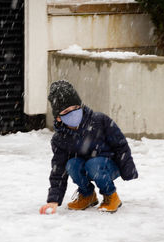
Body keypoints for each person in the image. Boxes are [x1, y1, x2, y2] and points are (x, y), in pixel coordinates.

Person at [39, 80, 138, 215]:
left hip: (109, 166)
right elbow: (58, 168)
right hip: (87, 167)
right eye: (67, 111)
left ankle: (111, 196)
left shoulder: (99, 120)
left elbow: (120, 145)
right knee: (71, 164)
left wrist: (128, 171)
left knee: (93, 164)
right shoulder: (60, 139)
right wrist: (53, 200)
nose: (73, 113)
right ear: (58, 118)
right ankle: (87, 195)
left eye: (75, 108)